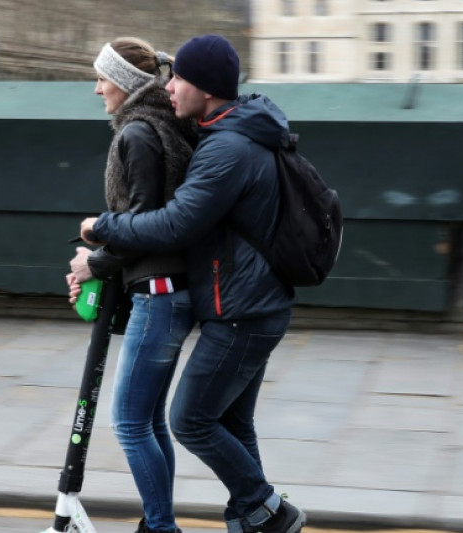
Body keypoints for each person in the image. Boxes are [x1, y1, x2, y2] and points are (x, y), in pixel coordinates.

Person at [79, 35, 306, 533]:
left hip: (240, 308)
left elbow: (172, 224)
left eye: (179, 77)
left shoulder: (224, 146)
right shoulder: (220, 132)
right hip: (250, 301)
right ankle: (255, 518)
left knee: (186, 421)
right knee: (228, 422)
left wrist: (100, 235)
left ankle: (266, 509)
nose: (170, 85)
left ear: (203, 87)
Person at [65, 37, 198, 533]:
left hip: (158, 295)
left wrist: (94, 263)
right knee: (150, 421)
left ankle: (161, 528)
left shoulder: (139, 134)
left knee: (128, 423)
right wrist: (97, 258)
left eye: (102, 79)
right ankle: (159, 523)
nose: (97, 89)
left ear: (124, 83)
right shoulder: (163, 125)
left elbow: (142, 223)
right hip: (171, 289)